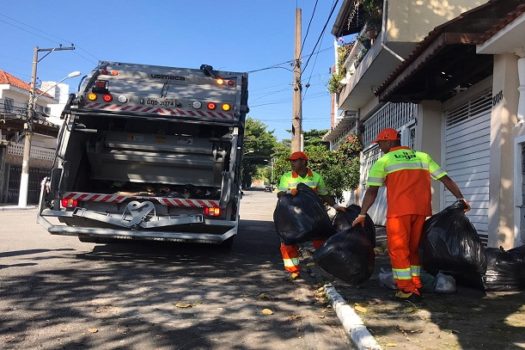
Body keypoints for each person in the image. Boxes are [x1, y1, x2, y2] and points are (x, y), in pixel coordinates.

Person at [352, 128, 470, 301]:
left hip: (399, 212)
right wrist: (461, 198)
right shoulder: (423, 157)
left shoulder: (384, 161)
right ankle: (416, 283)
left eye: (380, 144)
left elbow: (372, 191)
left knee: (398, 249)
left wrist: (362, 214)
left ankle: (407, 289)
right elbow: (445, 178)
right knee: (413, 248)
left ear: (389, 141)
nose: (379, 148)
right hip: (421, 211)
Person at [277, 151, 345, 280]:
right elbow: (279, 194)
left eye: (295, 160)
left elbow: (324, 194)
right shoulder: (286, 177)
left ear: (303, 161)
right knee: (288, 242)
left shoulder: (316, 177)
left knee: (322, 240)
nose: (292, 163)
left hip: (312, 217)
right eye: (291, 161)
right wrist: (288, 192)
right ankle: (294, 271)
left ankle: (326, 269)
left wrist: (336, 206)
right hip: (294, 217)